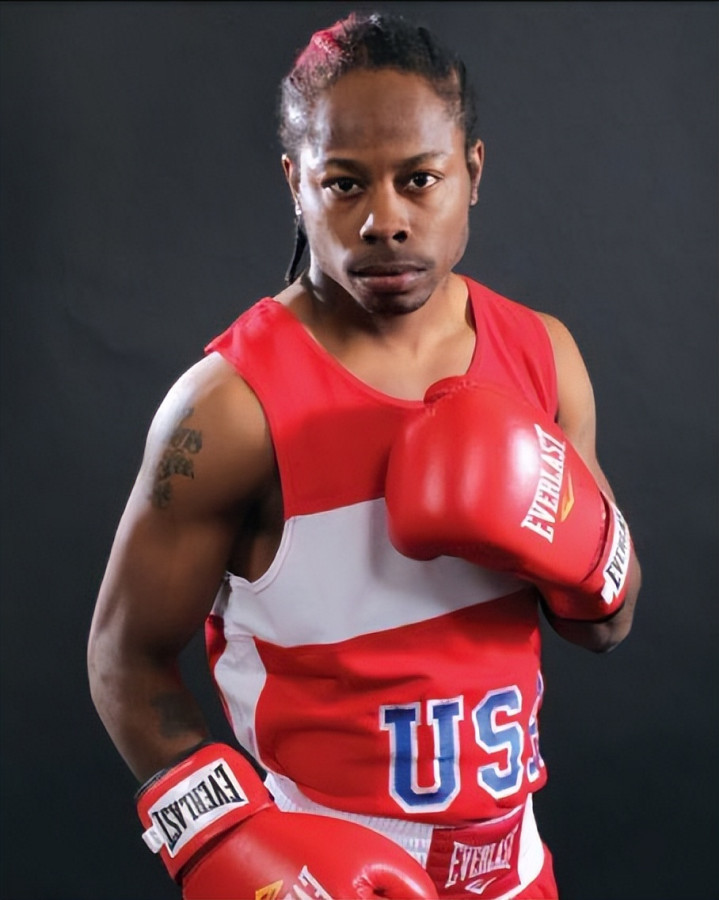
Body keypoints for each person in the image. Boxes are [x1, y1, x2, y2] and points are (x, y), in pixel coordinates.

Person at [87, 11, 642, 899]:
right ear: (295, 184)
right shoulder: (228, 409)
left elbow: (603, 625)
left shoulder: (541, 355)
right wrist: (227, 837)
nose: (384, 220)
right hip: (320, 874)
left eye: (419, 179)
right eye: (344, 185)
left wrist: (580, 549)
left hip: (517, 872)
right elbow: (123, 658)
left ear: (471, 172)